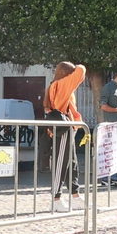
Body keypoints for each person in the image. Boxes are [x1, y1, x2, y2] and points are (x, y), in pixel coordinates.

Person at [45, 61, 87, 206]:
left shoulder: (57, 84)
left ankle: (75, 196)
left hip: (68, 127)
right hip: (63, 128)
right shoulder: (61, 84)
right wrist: (77, 67)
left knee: (71, 164)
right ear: (66, 74)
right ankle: (56, 199)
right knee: (61, 162)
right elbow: (81, 71)